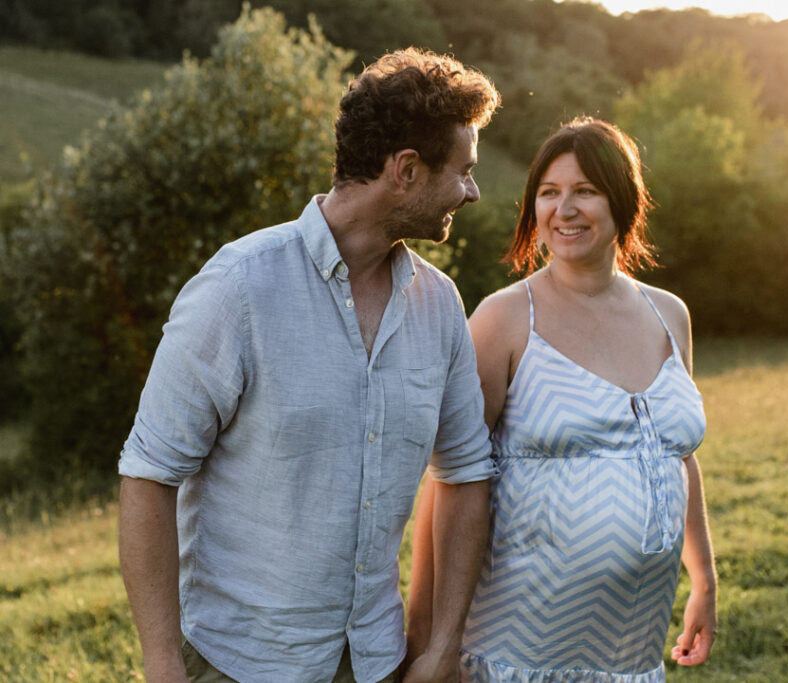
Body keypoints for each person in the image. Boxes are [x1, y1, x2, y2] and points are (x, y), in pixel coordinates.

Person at [117, 48, 500, 683]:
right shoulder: (237, 289)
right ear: (406, 170)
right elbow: (148, 475)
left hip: (374, 662)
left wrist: (440, 645)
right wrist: (162, 666)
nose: (472, 190)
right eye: (462, 171)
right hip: (236, 663)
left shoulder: (440, 306)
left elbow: (465, 473)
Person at [407, 117, 718, 680]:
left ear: (622, 200)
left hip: (631, 659)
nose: (564, 209)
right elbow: (448, 481)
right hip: (515, 656)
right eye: (549, 193)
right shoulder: (503, 320)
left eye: (585, 191)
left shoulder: (669, 314)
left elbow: (676, 458)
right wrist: (429, 643)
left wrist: (705, 580)